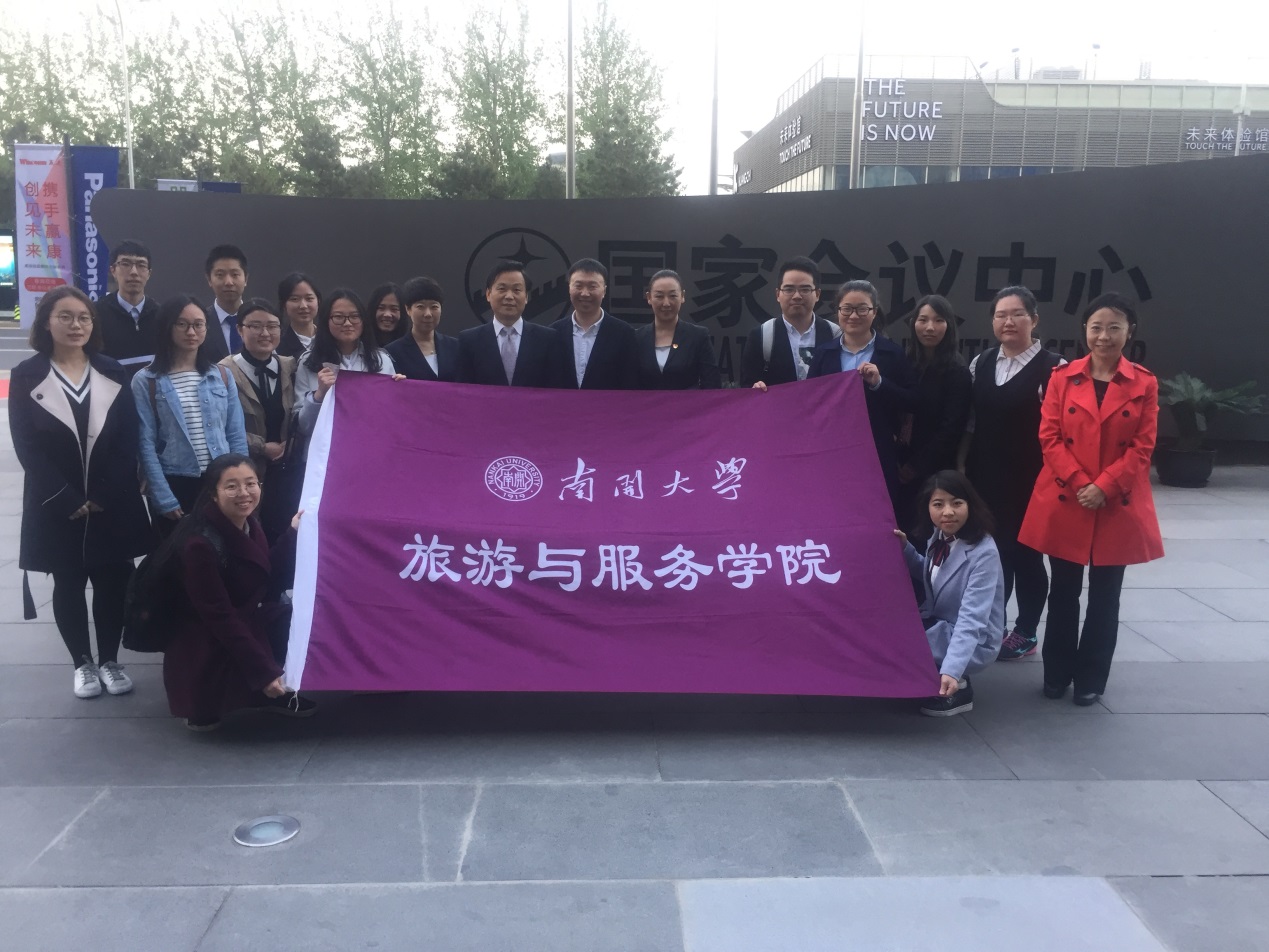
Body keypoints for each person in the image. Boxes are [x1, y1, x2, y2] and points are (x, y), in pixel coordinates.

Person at [1019, 293, 1163, 705]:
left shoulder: (1145, 383)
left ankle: (1091, 679)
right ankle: (1056, 673)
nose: (1104, 336)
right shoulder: (1063, 377)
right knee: (1063, 590)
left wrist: (1105, 486)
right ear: (1084, 330)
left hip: (1116, 503)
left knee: (1105, 596)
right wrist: (1082, 482)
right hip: (1069, 497)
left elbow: (1142, 447)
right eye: (1096, 327)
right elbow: (1048, 436)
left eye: (1114, 327)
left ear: (1129, 332)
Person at [9, 287, 152, 699]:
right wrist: (65, 497)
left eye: (84, 317)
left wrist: (104, 491)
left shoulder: (111, 370)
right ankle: (82, 664)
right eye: (66, 316)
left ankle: (109, 660)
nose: (76, 325)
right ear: (46, 322)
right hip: (58, 502)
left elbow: (128, 438)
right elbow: (27, 445)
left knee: (113, 581)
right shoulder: (27, 374)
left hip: (111, 498)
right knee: (68, 581)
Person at [162, 454, 314, 731]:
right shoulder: (198, 544)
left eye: (251, 483)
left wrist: (293, 532)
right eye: (231, 486)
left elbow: (265, 573)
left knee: (296, 618)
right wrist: (263, 671)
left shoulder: (249, 523)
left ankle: (273, 687)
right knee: (208, 710)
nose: (244, 493)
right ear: (214, 494)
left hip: (244, 618)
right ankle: (234, 693)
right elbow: (219, 617)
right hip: (205, 637)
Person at [961, 286, 1064, 661]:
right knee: (993, 553)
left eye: (1017, 314)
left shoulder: (1056, 368)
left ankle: (1026, 630)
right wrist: (961, 466)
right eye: (1000, 315)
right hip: (985, 477)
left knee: (1027, 556)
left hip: (1033, 481)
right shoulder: (982, 362)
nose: (1008, 321)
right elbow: (971, 422)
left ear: (1034, 320)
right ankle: (994, 626)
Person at [133, 295, 249, 536]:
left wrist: (241, 483)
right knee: (178, 553)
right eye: (182, 324)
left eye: (198, 324)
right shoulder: (146, 380)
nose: (191, 332)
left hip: (221, 480)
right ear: (167, 327)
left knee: (224, 550)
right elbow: (145, 444)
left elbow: (236, 434)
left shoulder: (221, 375)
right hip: (176, 481)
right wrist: (163, 496)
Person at [896, 470, 1006, 716]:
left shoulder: (984, 552)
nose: (948, 512)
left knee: (901, 639)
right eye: (938, 504)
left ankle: (959, 687)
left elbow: (972, 619)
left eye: (957, 503)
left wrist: (952, 670)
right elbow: (933, 575)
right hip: (942, 622)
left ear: (970, 505)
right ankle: (931, 674)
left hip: (974, 638)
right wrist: (904, 549)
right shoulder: (940, 535)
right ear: (927, 508)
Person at [808, 280, 919, 517]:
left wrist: (880, 383)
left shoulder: (892, 354)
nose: (853, 315)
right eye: (847, 309)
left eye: (862, 309)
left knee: (877, 513)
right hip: (831, 452)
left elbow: (911, 401)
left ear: (874, 312)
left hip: (878, 452)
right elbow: (809, 401)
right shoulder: (824, 354)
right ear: (838, 311)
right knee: (832, 512)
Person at [219, 299, 299, 543]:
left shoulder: (291, 366)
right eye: (255, 326)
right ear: (239, 329)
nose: (265, 333)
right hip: (246, 471)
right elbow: (219, 427)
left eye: (272, 326)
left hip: (287, 471)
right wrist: (261, 447)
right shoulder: (223, 372)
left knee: (287, 536)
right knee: (249, 536)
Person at [895, 294, 973, 527]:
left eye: (938, 320)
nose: (930, 327)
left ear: (949, 326)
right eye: (923, 320)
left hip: (934, 468)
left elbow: (952, 429)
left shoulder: (957, 370)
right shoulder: (906, 362)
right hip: (900, 460)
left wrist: (915, 467)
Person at [295, 288, 397, 433]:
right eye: (338, 317)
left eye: (355, 316)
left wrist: (399, 388)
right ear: (326, 320)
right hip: (325, 445)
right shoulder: (309, 362)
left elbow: (391, 415)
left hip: (369, 441)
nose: (348, 323)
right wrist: (319, 395)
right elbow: (303, 426)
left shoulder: (382, 361)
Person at [739, 256, 840, 388]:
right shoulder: (761, 336)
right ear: (778, 295)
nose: (797, 296)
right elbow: (747, 386)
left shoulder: (835, 334)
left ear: (817, 294)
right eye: (789, 289)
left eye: (805, 289)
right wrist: (754, 389)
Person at [455, 260, 560, 387]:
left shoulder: (547, 339)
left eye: (516, 290)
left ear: (526, 297)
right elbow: (463, 391)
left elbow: (554, 390)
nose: (509, 296)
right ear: (488, 294)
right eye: (502, 289)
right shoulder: (469, 340)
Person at [551, 258, 639, 390]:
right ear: (569, 288)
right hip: (562, 403)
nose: (585, 293)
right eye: (578, 286)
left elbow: (630, 383)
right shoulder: (553, 333)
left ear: (604, 291)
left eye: (592, 287)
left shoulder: (624, 334)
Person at [635, 269, 721, 389]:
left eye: (672, 296)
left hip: (688, 402)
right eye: (659, 296)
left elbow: (712, 384)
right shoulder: (636, 338)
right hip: (645, 402)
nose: (666, 303)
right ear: (649, 297)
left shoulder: (698, 336)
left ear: (682, 296)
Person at [95, 239, 159, 376]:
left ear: (149, 273)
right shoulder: (95, 314)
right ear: (113, 270)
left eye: (141, 265)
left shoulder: (161, 315)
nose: (134, 272)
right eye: (125, 264)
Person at [385, 276, 459, 382]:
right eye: (420, 307)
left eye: (434, 307)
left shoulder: (456, 347)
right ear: (408, 309)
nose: (428, 314)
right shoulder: (393, 352)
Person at [201, 244, 249, 362]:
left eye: (235, 275)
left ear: (246, 279)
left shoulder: (262, 321)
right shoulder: (200, 323)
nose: (228, 282)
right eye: (220, 275)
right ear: (209, 279)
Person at [276, 272, 320, 359]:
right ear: (284, 305)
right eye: (295, 299)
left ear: (318, 301)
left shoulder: (331, 340)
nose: (303, 306)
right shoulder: (277, 345)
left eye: (309, 298)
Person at [368, 282, 407, 348]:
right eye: (381, 308)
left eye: (394, 309)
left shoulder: (410, 348)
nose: (387, 315)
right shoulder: (359, 347)